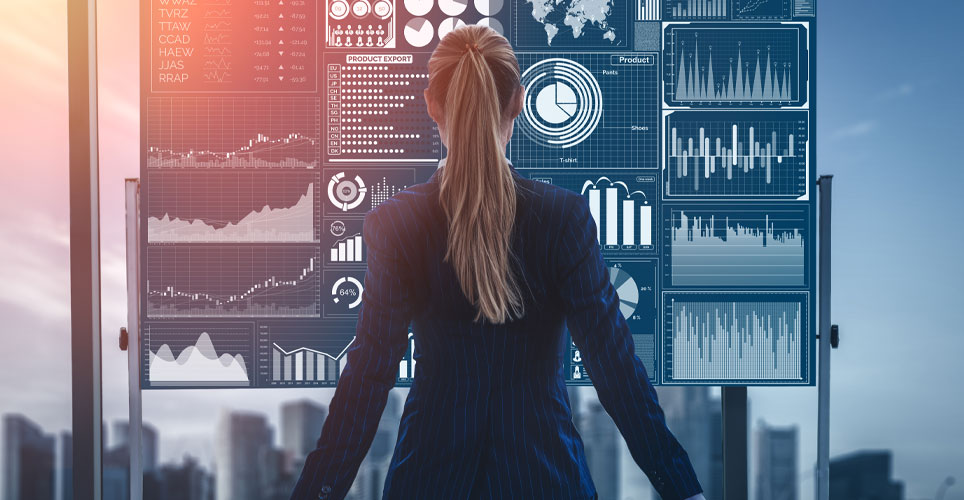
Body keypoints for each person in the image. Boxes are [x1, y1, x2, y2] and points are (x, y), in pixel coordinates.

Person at [291, 25, 705, 500]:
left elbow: (369, 374)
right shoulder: (563, 219)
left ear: (431, 104)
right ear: (518, 102)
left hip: (429, 483)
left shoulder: (398, 223)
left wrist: (316, 494)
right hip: (547, 481)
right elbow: (613, 366)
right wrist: (682, 489)